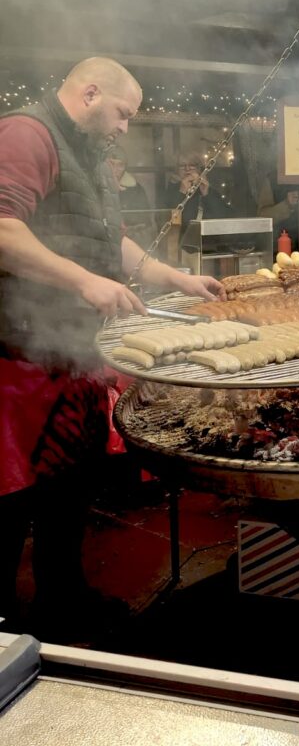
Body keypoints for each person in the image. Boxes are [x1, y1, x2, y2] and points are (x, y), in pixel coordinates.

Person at [0, 57, 223, 638]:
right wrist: (82, 280)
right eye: (124, 113)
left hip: (72, 356)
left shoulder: (91, 157)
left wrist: (176, 278)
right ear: (91, 93)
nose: (126, 126)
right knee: (10, 503)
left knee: (68, 493)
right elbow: (1, 226)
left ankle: (62, 606)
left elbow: (111, 240)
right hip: (18, 360)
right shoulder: (28, 133)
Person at [164, 152, 231, 232]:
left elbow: (223, 218)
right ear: (177, 170)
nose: (187, 169)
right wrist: (181, 193)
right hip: (182, 241)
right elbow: (165, 222)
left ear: (199, 169)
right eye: (182, 166)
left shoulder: (208, 189)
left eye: (192, 165)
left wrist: (207, 193)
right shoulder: (171, 191)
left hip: (209, 240)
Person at [106, 145, 154, 249]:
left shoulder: (136, 190)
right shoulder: (95, 187)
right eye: (111, 164)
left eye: (120, 165)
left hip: (132, 243)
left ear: (125, 167)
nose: (115, 169)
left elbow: (144, 223)